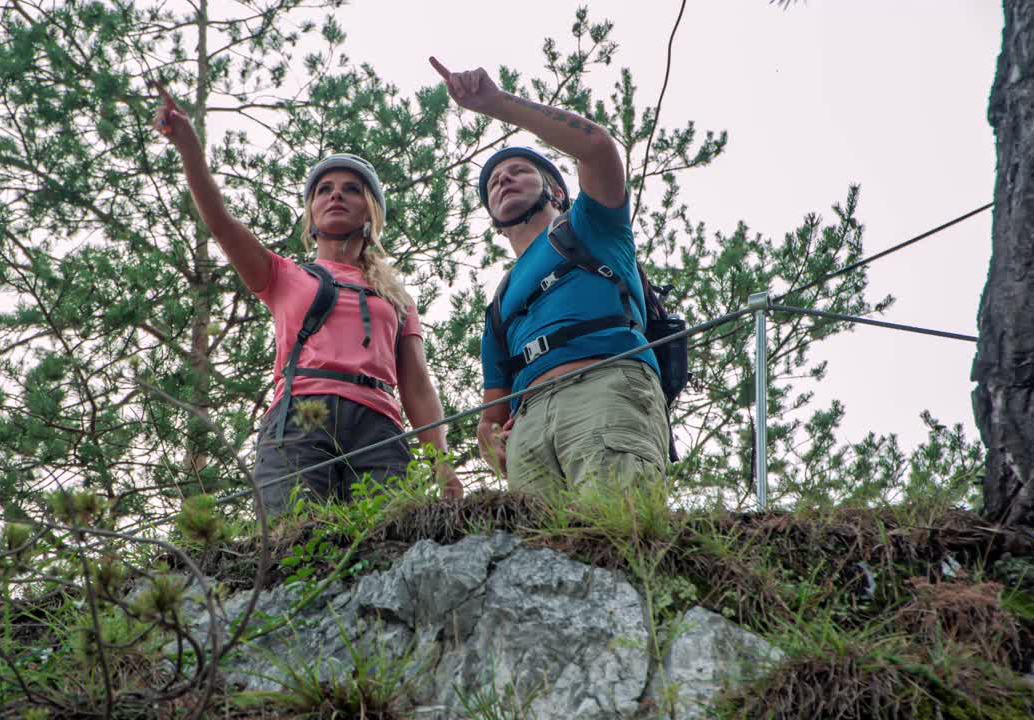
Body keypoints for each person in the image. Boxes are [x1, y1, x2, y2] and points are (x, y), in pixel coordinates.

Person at [152, 84, 462, 515]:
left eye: (351, 189)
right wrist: (189, 149)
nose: (336, 194)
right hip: (300, 417)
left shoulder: (396, 297)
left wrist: (441, 463)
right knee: (294, 538)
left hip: (380, 429)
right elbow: (220, 222)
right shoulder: (283, 275)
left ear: (370, 212)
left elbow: (416, 385)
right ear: (311, 214)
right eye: (324, 189)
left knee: (389, 539)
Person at [428, 57, 669, 495]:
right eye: (493, 182)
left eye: (519, 171)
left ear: (557, 192)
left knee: (617, 524)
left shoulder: (592, 226)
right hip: (530, 425)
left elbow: (597, 147)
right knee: (535, 540)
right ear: (494, 220)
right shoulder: (500, 304)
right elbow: (490, 420)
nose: (503, 180)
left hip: (606, 384)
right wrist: (493, 444)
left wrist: (496, 103)